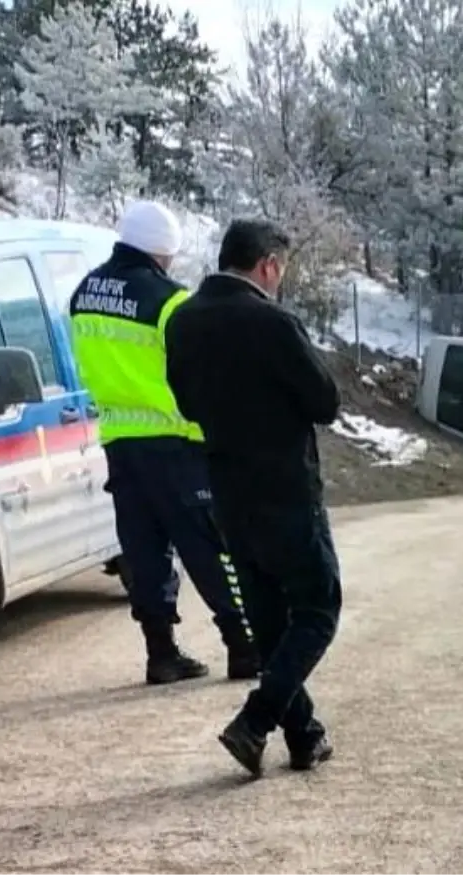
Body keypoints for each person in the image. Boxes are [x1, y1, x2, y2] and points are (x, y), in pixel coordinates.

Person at [164, 219, 342, 776]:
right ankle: (256, 720)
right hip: (286, 489)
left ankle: (304, 736)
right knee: (317, 608)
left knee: (269, 621)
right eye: (281, 271)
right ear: (267, 265)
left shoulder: (184, 321)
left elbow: (188, 406)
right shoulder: (273, 321)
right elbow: (325, 401)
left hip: (228, 491)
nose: (280, 280)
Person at [68, 200, 258, 685]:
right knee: (209, 548)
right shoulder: (170, 301)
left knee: (144, 549)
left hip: (118, 441)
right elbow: (197, 372)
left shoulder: (83, 293)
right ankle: (244, 646)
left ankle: (161, 654)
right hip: (175, 442)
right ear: (163, 251)